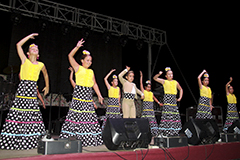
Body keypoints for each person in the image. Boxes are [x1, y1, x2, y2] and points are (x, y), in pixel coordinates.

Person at [0, 33, 49, 150]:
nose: (34, 49)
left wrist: (47, 86)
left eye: (36, 48)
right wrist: (29, 37)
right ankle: (14, 140)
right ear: (28, 53)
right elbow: (18, 45)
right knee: (19, 112)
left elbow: (46, 75)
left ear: (38, 54)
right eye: (32, 48)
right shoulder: (24, 60)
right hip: (23, 88)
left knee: (32, 113)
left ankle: (32, 140)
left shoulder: (41, 64)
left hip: (32, 88)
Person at [59, 39, 103, 147]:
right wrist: (77, 47)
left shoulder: (91, 71)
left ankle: (87, 139)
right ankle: (67, 138)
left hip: (88, 95)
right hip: (79, 94)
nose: (89, 62)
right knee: (74, 115)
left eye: (90, 61)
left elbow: (95, 84)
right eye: (87, 60)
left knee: (88, 117)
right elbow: (70, 56)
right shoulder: (78, 67)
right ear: (82, 61)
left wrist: (99, 95)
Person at [153, 67, 183, 136]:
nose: (170, 75)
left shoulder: (175, 82)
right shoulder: (164, 81)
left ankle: (174, 132)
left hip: (173, 100)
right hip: (167, 100)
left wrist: (180, 98)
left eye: (171, 74)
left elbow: (181, 89)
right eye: (169, 74)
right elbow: (155, 78)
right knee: (167, 115)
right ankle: (166, 132)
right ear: (166, 76)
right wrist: (158, 74)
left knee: (174, 116)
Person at [140, 71, 162, 137]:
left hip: (151, 108)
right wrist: (141, 77)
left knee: (152, 120)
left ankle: (154, 132)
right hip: (146, 108)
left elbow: (154, 98)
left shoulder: (151, 93)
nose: (149, 88)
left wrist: (159, 103)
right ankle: (143, 132)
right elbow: (141, 84)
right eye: (148, 87)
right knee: (145, 120)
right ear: (145, 87)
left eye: (150, 87)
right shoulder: (144, 91)